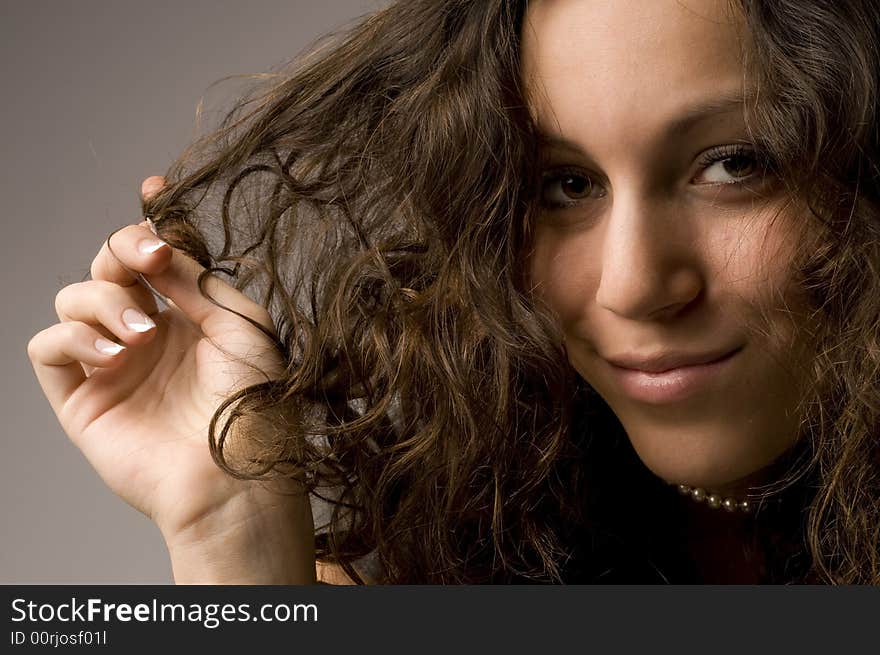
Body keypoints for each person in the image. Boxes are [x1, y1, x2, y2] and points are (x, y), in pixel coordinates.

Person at [27, 0, 880, 584]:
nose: (634, 285)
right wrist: (234, 537)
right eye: (566, 185)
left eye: (738, 164)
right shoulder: (451, 539)